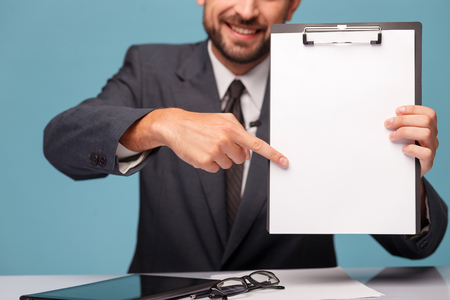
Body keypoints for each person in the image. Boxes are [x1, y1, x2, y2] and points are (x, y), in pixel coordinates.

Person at [44, 0, 447, 273]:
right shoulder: (149, 68)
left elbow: (415, 247)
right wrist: (159, 124)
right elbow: (61, 141)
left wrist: (400, 174)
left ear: (293, 3)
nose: (247, 10)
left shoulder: (342, 81)